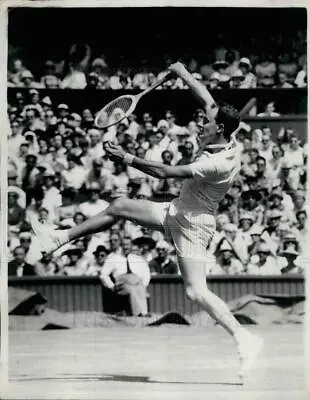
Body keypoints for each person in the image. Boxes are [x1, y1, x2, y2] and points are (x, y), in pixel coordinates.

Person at [31, 61, 262, 380]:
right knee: (120, 206)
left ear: (219, 128)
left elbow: (166, 172)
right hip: (176, 210)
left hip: (194, 225)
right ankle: (58, 238)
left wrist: (127, 158)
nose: (199, 122)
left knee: (195, 292)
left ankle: (243, 338)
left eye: (204, 122)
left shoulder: (220, 162)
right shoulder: (218, 126)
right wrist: (182, 74)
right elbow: (204, 95)